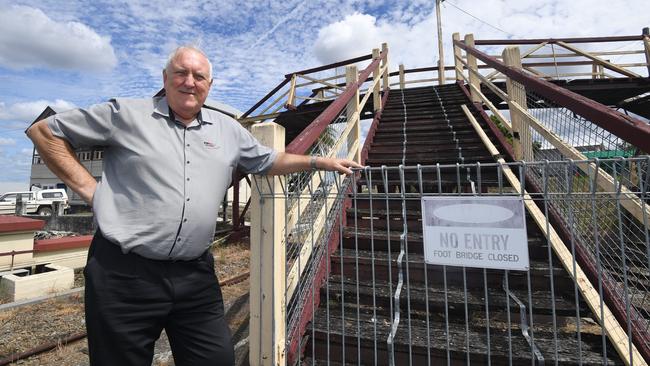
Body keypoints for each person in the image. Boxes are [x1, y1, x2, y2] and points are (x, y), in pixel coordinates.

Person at [26, 45, 361, 366]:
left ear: (209, 85)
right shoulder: (125, 114)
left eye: (199, 76)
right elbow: (45, 132)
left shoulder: (227, 129)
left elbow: (268, 160)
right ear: (165, 77)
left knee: (214, 359)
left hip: (195, 274)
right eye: (181, 73)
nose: (190, 82)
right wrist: (92, 191)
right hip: (124, 274)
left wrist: (318, 162)